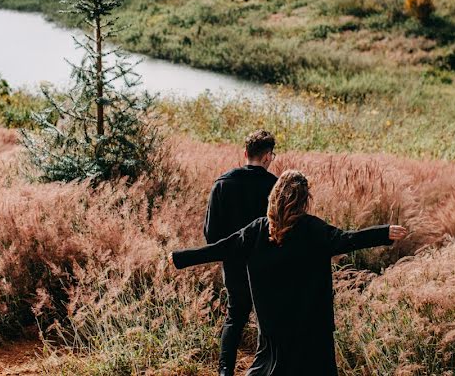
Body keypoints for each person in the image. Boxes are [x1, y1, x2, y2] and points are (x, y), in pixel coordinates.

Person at [174, 170, 408, 376]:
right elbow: (347, 240)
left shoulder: (258, 230)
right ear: (304, 201)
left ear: (274, 197)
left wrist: (181, 257)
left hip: (273, 325)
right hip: (311, 326)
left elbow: (222, 248)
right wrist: (383, 233)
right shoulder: (313, 229)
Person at [203, 130, 278, 375]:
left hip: (234, 264)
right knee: (268, 320)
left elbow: (211, 234)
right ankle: (265, 369)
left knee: (235, 318)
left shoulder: (222, 184)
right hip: (268, 264)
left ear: (245, 153)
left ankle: (225, 371)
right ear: (268, 156)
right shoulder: (276, 187)